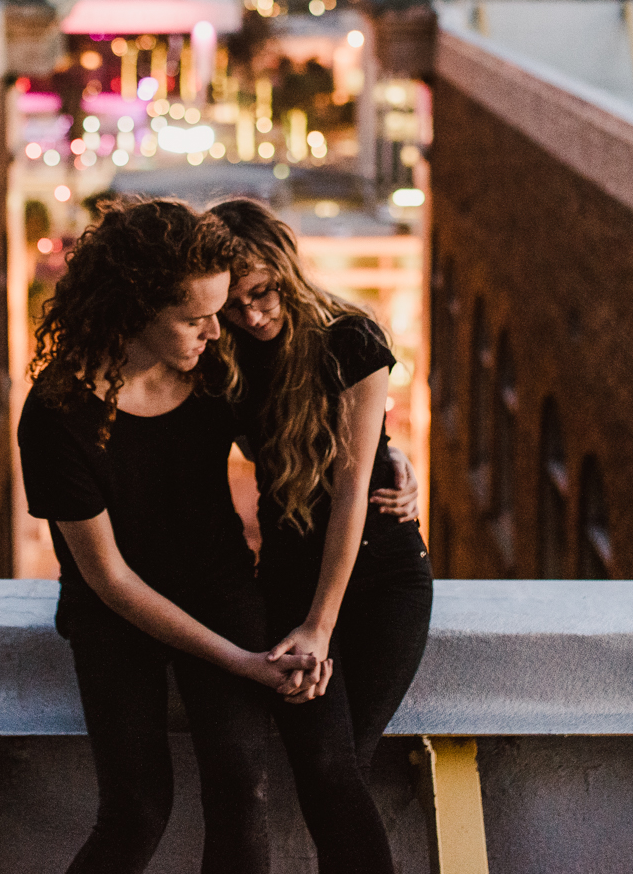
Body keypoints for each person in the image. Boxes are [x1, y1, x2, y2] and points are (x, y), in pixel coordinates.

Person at [17, 196, 314, 874]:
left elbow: (297, 433)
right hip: (115, 619)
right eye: (196, 316)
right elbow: (111, 581)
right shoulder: (57, 414)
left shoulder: (212, 367)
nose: (218, 328)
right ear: (135, 309)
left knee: (242, 789)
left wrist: (391, 458)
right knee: (138, 809)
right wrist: (239, 661)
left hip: (221, 586)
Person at [212, 197, 437, 874]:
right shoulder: (224, 362)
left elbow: (351, 496)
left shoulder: (352, 339)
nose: (251, 315)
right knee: (325, 763)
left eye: (260, 292)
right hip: (287, 577)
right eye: (232, 305)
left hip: (382, 575)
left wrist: (320, 623)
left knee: (341, 762)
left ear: (284, 264)